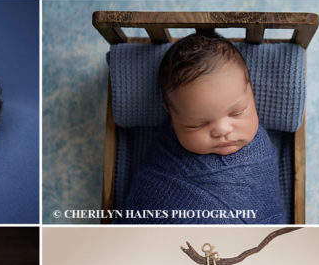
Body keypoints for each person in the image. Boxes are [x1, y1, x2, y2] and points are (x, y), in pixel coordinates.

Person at [119, 33, 285, 224]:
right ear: (172, 115)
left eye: (237, 112)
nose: (222, 131)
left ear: (252, 93)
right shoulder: (164, 161)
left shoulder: (259, 154)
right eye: (197, 124)